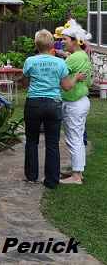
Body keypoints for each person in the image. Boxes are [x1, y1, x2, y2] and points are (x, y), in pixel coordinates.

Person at [20, 29, 86, 189]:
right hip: (54, 104)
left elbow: (24, 82)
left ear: (36, 44)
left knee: (32, 141)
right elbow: (67, 87)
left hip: (34, 104)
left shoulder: (30, 61)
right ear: (51, 45)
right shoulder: (60, 63)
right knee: (52, 143)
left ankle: (31, 176)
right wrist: (76, 78)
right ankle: (50, 181)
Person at [59, 19, 93, 185]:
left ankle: (76, 177)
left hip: (74, 104)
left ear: (74, 40)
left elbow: (59, 74)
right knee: (76, 138)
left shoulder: (73, 59)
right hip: (81, 101)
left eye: (64, 39)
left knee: (74, 139)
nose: (61, 42)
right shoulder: (82, 56)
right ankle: (76, 170)